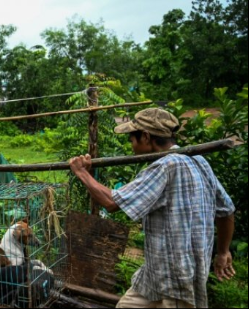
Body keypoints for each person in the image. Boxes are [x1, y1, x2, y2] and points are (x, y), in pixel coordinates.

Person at [68, 108, 236, 308]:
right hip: (154, 275)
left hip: (175, 277)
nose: (131, 145)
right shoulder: (199, 160)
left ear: (146, 137)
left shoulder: (165, 166)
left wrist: (82, 173)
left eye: (132, 139)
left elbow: (112, 203)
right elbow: (227, 210)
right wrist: (223, 251)